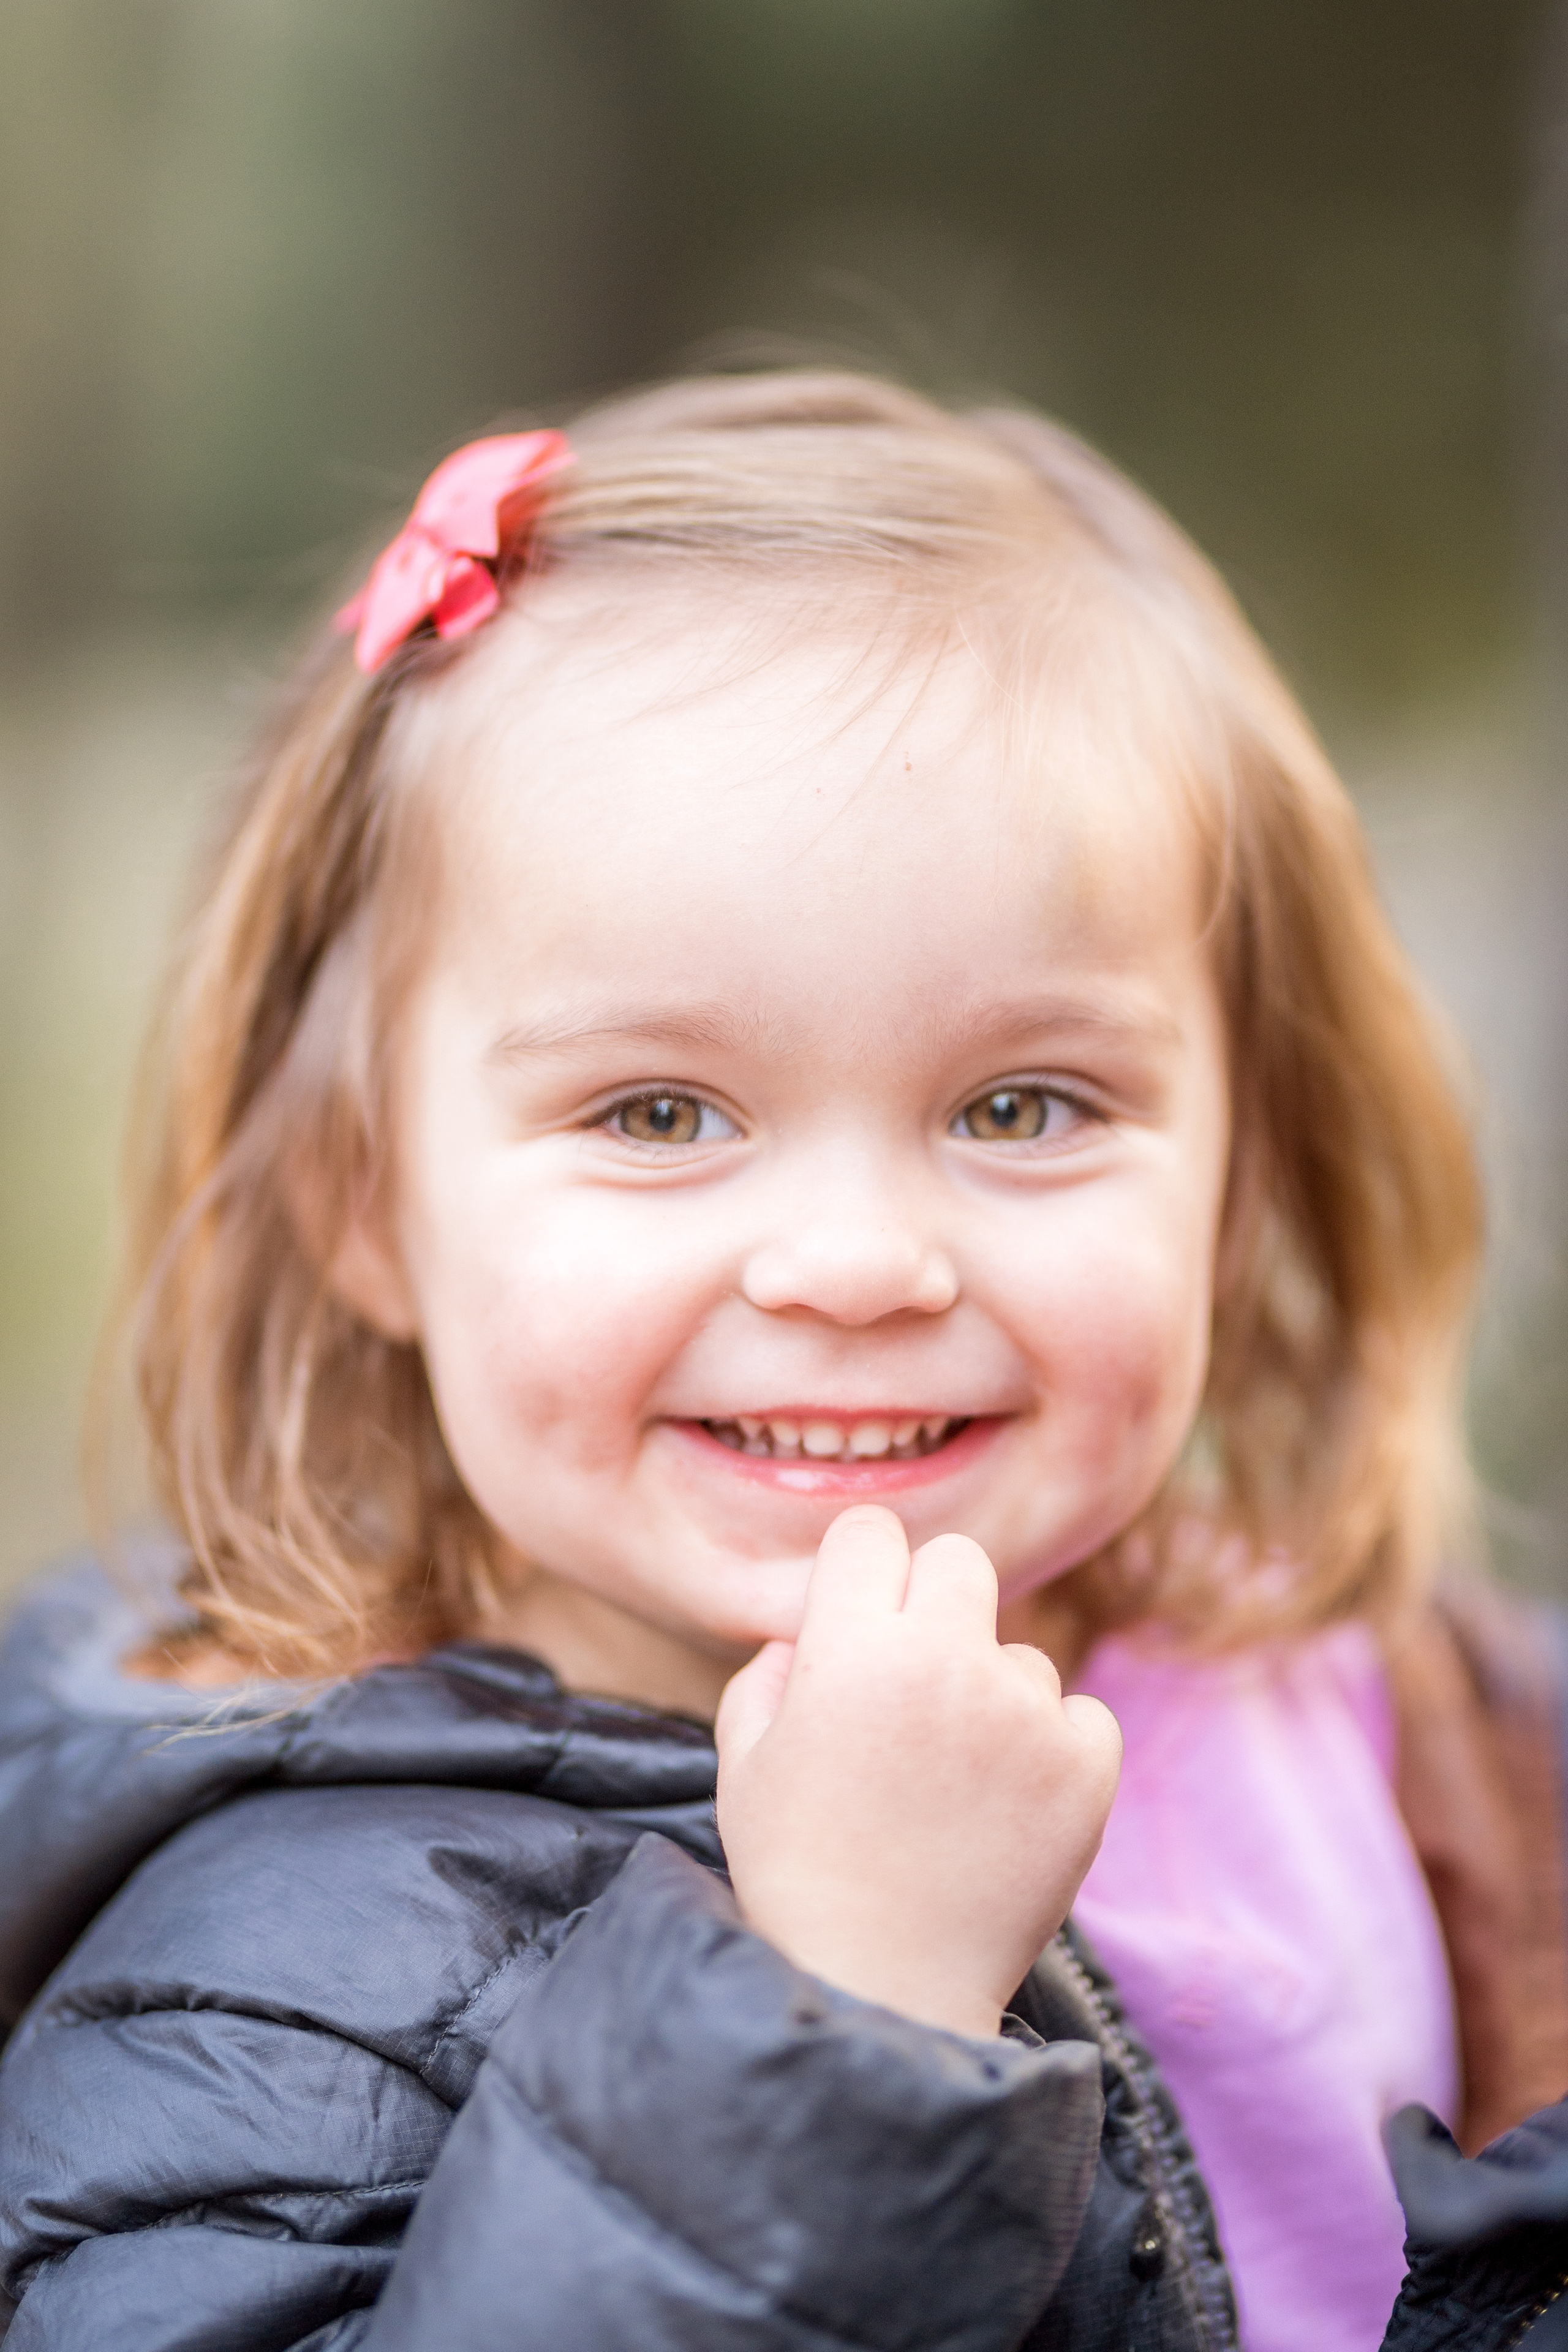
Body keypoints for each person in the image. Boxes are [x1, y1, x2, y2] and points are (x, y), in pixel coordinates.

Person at [0, 368, 1565, 2352]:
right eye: (660, 1115)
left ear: (1245, 1180)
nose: (853, 1263)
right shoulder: (285, 1963)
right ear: (367, 1205)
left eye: (1021, 1108)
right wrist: (847, 2021)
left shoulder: (1393, 1715)